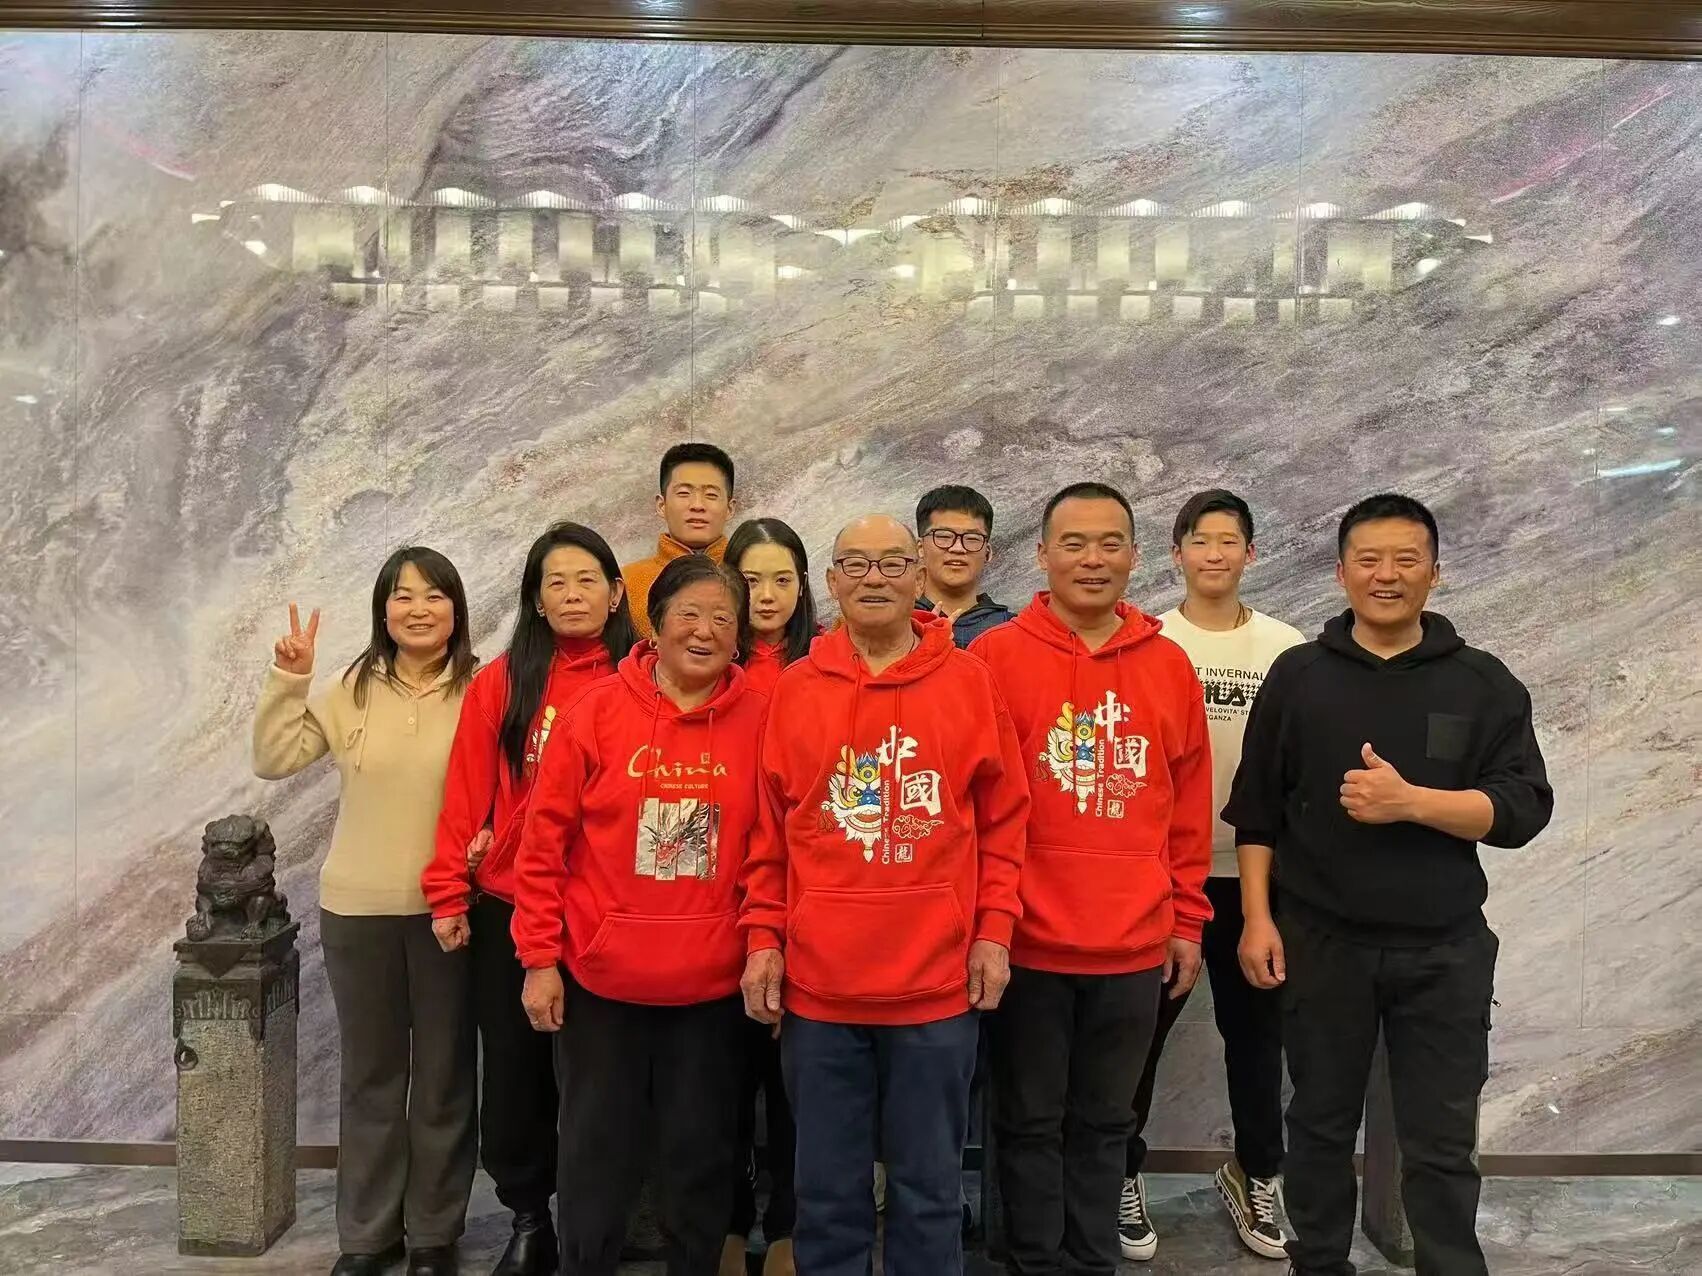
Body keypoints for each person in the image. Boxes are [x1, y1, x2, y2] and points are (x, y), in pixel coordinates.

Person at [1226, 493, 1553, 1276]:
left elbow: (1522, 809)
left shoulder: (1482, 682)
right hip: (1321, 943)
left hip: (1444, 951)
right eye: (1369, 559)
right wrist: (1257, 920)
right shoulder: (1299, 675)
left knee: (1440, 1141)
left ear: (1435, 574)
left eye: (1407, 560)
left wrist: (1412, 803)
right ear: (1341, 572)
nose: (1387, 575)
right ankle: (1318, 1264)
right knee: (1319, 1127)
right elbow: (1258, 814)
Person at [739, 513, 1030, 1276]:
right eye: (857, 564)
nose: (875, 578)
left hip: (937, 990)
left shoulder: (969, 683)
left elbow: (1004, 823)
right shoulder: (797, 689)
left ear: (920, 577)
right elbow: (769, 835)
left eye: (893, 563)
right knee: (825, 1195)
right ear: (832, 581)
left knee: (929, 1193)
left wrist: (994, 931)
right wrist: (764, 939)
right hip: (820, 993)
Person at [969, 482, 1212, 1276]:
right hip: (1028, 941)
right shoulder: (995, 658)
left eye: (1110, 543)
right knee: (1027, 1123)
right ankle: (1034, 1262)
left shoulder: (1168, 665)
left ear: (1136, 556)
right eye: (1073, 543)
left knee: (1107, 1124)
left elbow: (1186, 810)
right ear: (1042, 555)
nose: (1092, 559)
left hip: (1134, 945)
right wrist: (987, 926)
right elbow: (977, 808)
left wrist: (1186, 920)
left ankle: (1091, 1260)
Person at [511, 554, 767, 1276]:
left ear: (739, 636)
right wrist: (539, 959)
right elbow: (543, 847)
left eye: (722, 619)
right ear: (655, 623)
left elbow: (771, 852)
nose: (704, 631)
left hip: (712, 990)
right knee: (594, 1158)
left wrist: (763, 947)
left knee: (702, 1157)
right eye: (689, 614)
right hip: (602, 985)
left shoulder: (762, 717)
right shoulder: (596, 712)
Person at [252, 548, 480, 1276]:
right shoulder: (351, 688)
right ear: (383, 610)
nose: (419, 609)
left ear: (456, 609)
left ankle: (434, 1233)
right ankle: (367, 1235)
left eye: (434, 595)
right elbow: (274, 758)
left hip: (451, 912)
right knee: (373, 1076)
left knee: (444, 1075)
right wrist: (290, 677)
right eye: (402, 596)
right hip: (357, 910)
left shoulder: (484, 688)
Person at [420, 523, 638, 1276]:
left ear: (617, 593)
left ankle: (599, 1218)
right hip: (511, 907)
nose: (573, 595)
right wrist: (448, 890)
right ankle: (528, 1218)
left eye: (587, 580)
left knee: (600, 1079)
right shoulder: (504, 682)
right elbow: (466, 793)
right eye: (556, 583)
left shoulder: (642, 679)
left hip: (608, 912)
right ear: (537, 601)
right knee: (514, 1075)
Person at [1119, 490, 1304, 1262]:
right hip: (1165, 879)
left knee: (1258, 1040)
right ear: (1177, 554)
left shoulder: (1286, 649)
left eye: (1230, 541)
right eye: (1200, 540)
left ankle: (1256, 1172)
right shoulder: (1149, 642)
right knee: (1138, 1038)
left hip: (1256, 881)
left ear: (1250, 554)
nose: (1215, 554)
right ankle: (1121, 1171)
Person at [721, 517, 819, 1276]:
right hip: (712, 906)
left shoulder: (825, 667)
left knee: (795, 1085)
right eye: (750, 580)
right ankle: (728, 1222)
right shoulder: (701, 666)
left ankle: (788, 1223)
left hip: (802, 900)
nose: (766, 595)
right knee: (725, 1083)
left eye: (782, 579)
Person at [624, 442, 738, 641]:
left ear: (730, 508)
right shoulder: (627, 582)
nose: (697, 505)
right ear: (661, 505)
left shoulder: (748, 575)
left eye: (711, 495)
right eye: (684, 493)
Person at [915, 484, 1015, 647]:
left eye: (972, 538)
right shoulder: (895, 625)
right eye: (943, 536)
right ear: (920, 548)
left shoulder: (1014, 630)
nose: (957, 548)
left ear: (988, 553)